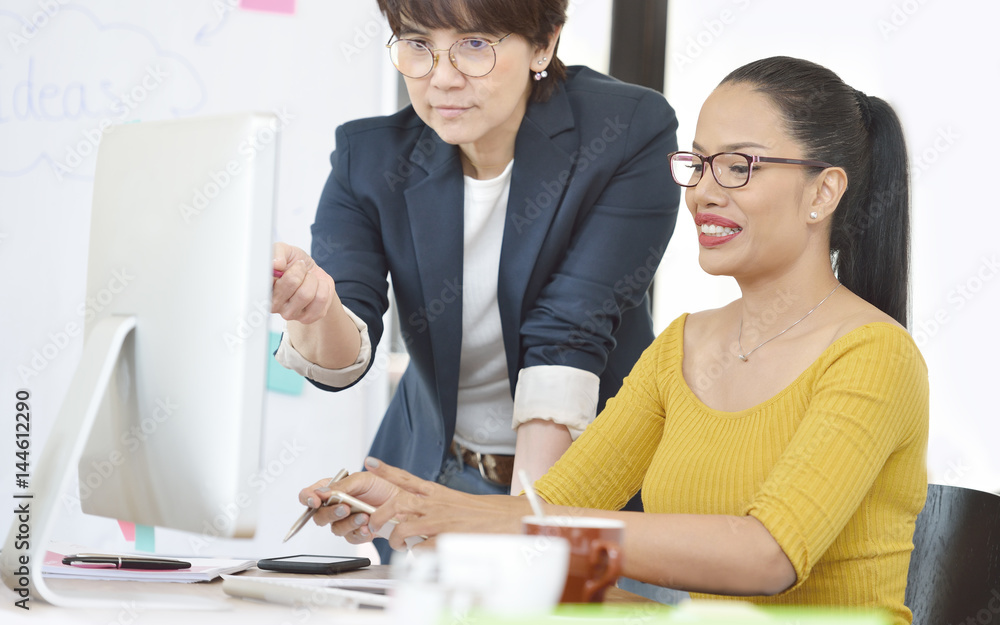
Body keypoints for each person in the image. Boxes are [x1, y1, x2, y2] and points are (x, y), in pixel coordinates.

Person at [299, 56, 929, 625]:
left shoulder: (874, 355)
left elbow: (767, 555)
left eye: (739, 166)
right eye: (699, 163)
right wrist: (416, 503)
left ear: (824, 190)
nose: (704, 191)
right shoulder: (685, 345)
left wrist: (478, 519)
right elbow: (558, 507)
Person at [271, 0, 680, 559]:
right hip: (435, 472)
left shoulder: (625, 129)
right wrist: (316, 309)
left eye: (475, 44)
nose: (441, 77)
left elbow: (569, 333)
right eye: (418, 45)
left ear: (545, 43)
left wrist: (527, 532)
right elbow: (345, 356)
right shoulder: (368, 158)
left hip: (588, 486)